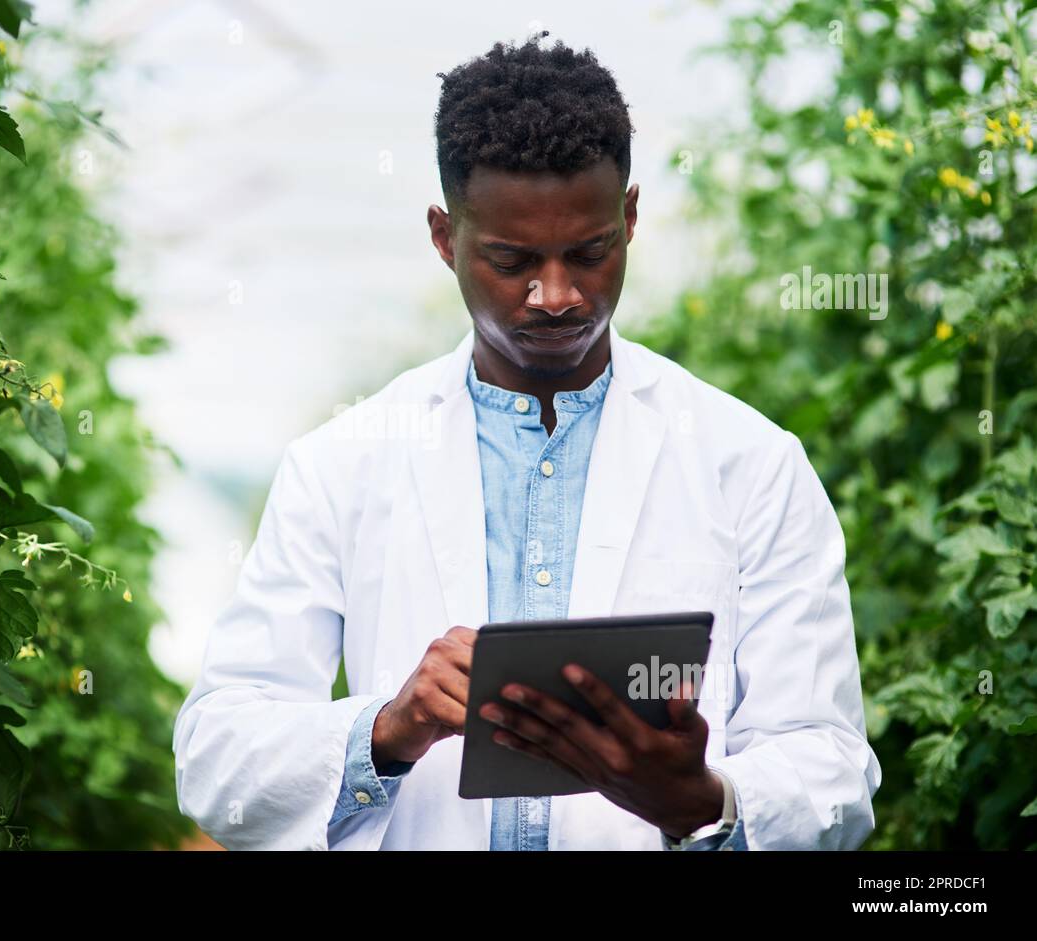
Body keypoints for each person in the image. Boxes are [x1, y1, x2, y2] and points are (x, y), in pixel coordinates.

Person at [173, 34, 881, 850]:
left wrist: (703, 798)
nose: (556, 295)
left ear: (631, 218)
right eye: (512, 260)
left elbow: (834, 770)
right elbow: (217, 758)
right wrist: (387, 729)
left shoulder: (750, 465)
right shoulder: (342, 463)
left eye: (589, 252)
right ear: (446, 237)